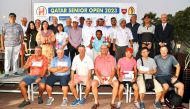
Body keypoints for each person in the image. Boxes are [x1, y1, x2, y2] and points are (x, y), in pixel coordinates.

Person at [91, 45, 118, 109]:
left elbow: (113, 70)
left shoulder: (112, 58)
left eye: (105, 48)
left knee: (116, 83)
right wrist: (100, 78)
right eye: (102, 48)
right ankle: (96, 102)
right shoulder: (97, 58)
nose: (103, 49)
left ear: (107, 50)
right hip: (100, 76)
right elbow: (96, 70)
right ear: (100, 50)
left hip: (110, 76)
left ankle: (112, 103)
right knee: (93, 83)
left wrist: (111, 78)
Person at [1, 13, 24, 78]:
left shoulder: (18, 26)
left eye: (13, 17)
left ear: (15, 18)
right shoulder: (5, 25)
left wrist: (21, 43)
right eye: (11, 17)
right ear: (9, 18)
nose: (12, 18)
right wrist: (2, 46)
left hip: (17, 44)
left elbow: (22, 35)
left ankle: (15, 71)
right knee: (7, 58)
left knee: (15, 58)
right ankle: (6, 72)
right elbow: (2, 36)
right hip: (7, 45)